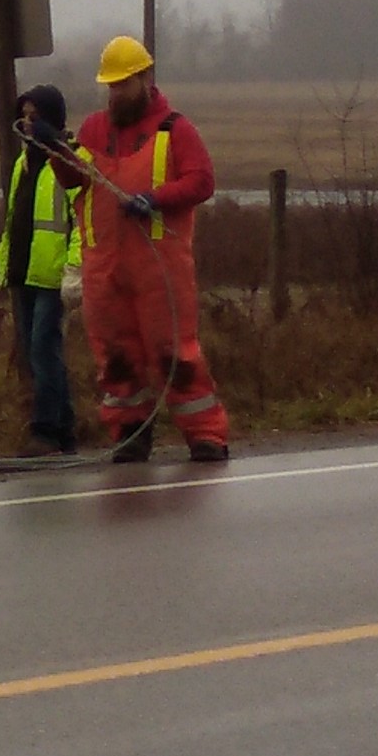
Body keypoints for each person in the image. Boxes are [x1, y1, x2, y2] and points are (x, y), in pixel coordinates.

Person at [72, 36, 232, 464]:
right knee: (116, 358)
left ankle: (205, 435)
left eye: (123, 84)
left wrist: (155, 199)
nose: (115, 93)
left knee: (173, 353)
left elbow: (203, 182)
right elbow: (74, 180)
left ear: (145, 79)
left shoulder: (176, 129)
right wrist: (51, 147)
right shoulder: (92, 130)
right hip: (104, 267)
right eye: (111, 85)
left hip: (160, 268)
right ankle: (130, 433)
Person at [0, 84, 86, 454]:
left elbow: (82, 219)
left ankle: (46, 429)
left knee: (43, 350)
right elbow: (14, 220)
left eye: (36, 117)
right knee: (38, 350)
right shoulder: (24, 163)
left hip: (52, 274)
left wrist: (75, 268)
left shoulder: (69, 159)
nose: (28, 125)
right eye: (25, 117)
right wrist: (2, 266)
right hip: (25, 272)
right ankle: (63, 430)